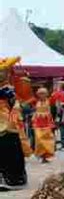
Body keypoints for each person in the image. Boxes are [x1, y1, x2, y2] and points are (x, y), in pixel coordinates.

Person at [0, 56, 28, 191]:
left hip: (7, 121)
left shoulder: (9, 89)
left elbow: (17, 104)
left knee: (9, 147)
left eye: (3, 72)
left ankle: (12, 178)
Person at [32, 87, 56, 163]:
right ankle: (41, 155)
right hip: (38, 122)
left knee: (47, 139)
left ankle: (45, 156)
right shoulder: (36, 102)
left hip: (46, 122)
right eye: (40, 94)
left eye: (43, 93)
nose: (42, 95)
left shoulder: (49, 101)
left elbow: (53, 112)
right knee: (39, 140)